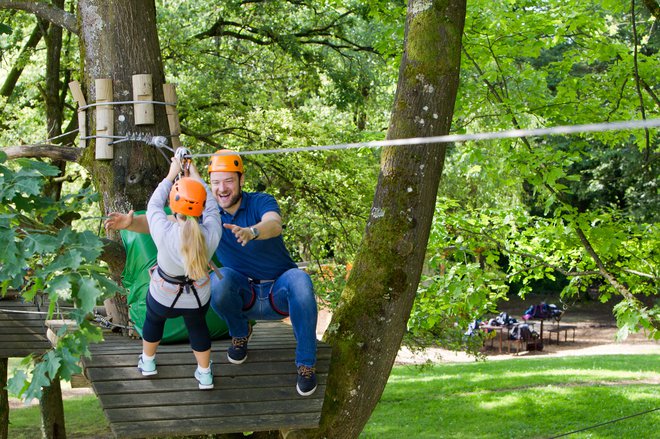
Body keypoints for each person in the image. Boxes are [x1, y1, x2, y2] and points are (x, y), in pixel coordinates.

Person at [105, 150, 319, 396]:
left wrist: (253, 232)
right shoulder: (208, 215)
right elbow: (165, 221)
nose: (222, 188)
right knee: (221, 279)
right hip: (243, 295)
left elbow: (274, 223)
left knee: (301, 279)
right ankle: (239, 335)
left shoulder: (261, 201)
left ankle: (306, 365)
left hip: (278, 292)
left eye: (228, 181)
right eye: (215, 182)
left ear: (241, 180)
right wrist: (130, 223)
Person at [133, 157, 221, 390]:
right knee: (197, 326)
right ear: (200, 207)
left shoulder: (163, 229)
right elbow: (212, 206)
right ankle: (204, 374)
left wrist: (171, 175)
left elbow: (153, 205)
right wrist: (196, 176)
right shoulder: (211, 232)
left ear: (172, 207)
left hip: (164, 294)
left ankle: (148, 362)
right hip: (197, 297)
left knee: (154, 319)